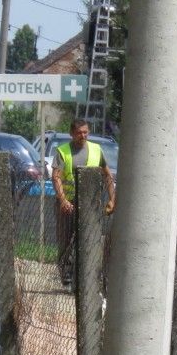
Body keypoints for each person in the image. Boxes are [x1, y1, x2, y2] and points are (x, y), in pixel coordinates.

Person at [52, 119, 116, 285]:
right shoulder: (63, 151)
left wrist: (112, 199)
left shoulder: (96, 149)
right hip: (68, 203)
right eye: (79, 132)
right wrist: (63, 200)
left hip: (90, 203)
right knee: (66, 240)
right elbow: (56, 177)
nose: (83, 135)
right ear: (72, 133)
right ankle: (66, 274)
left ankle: (86, 275)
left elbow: (107, 175)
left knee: (89, 239)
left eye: (86, 132)